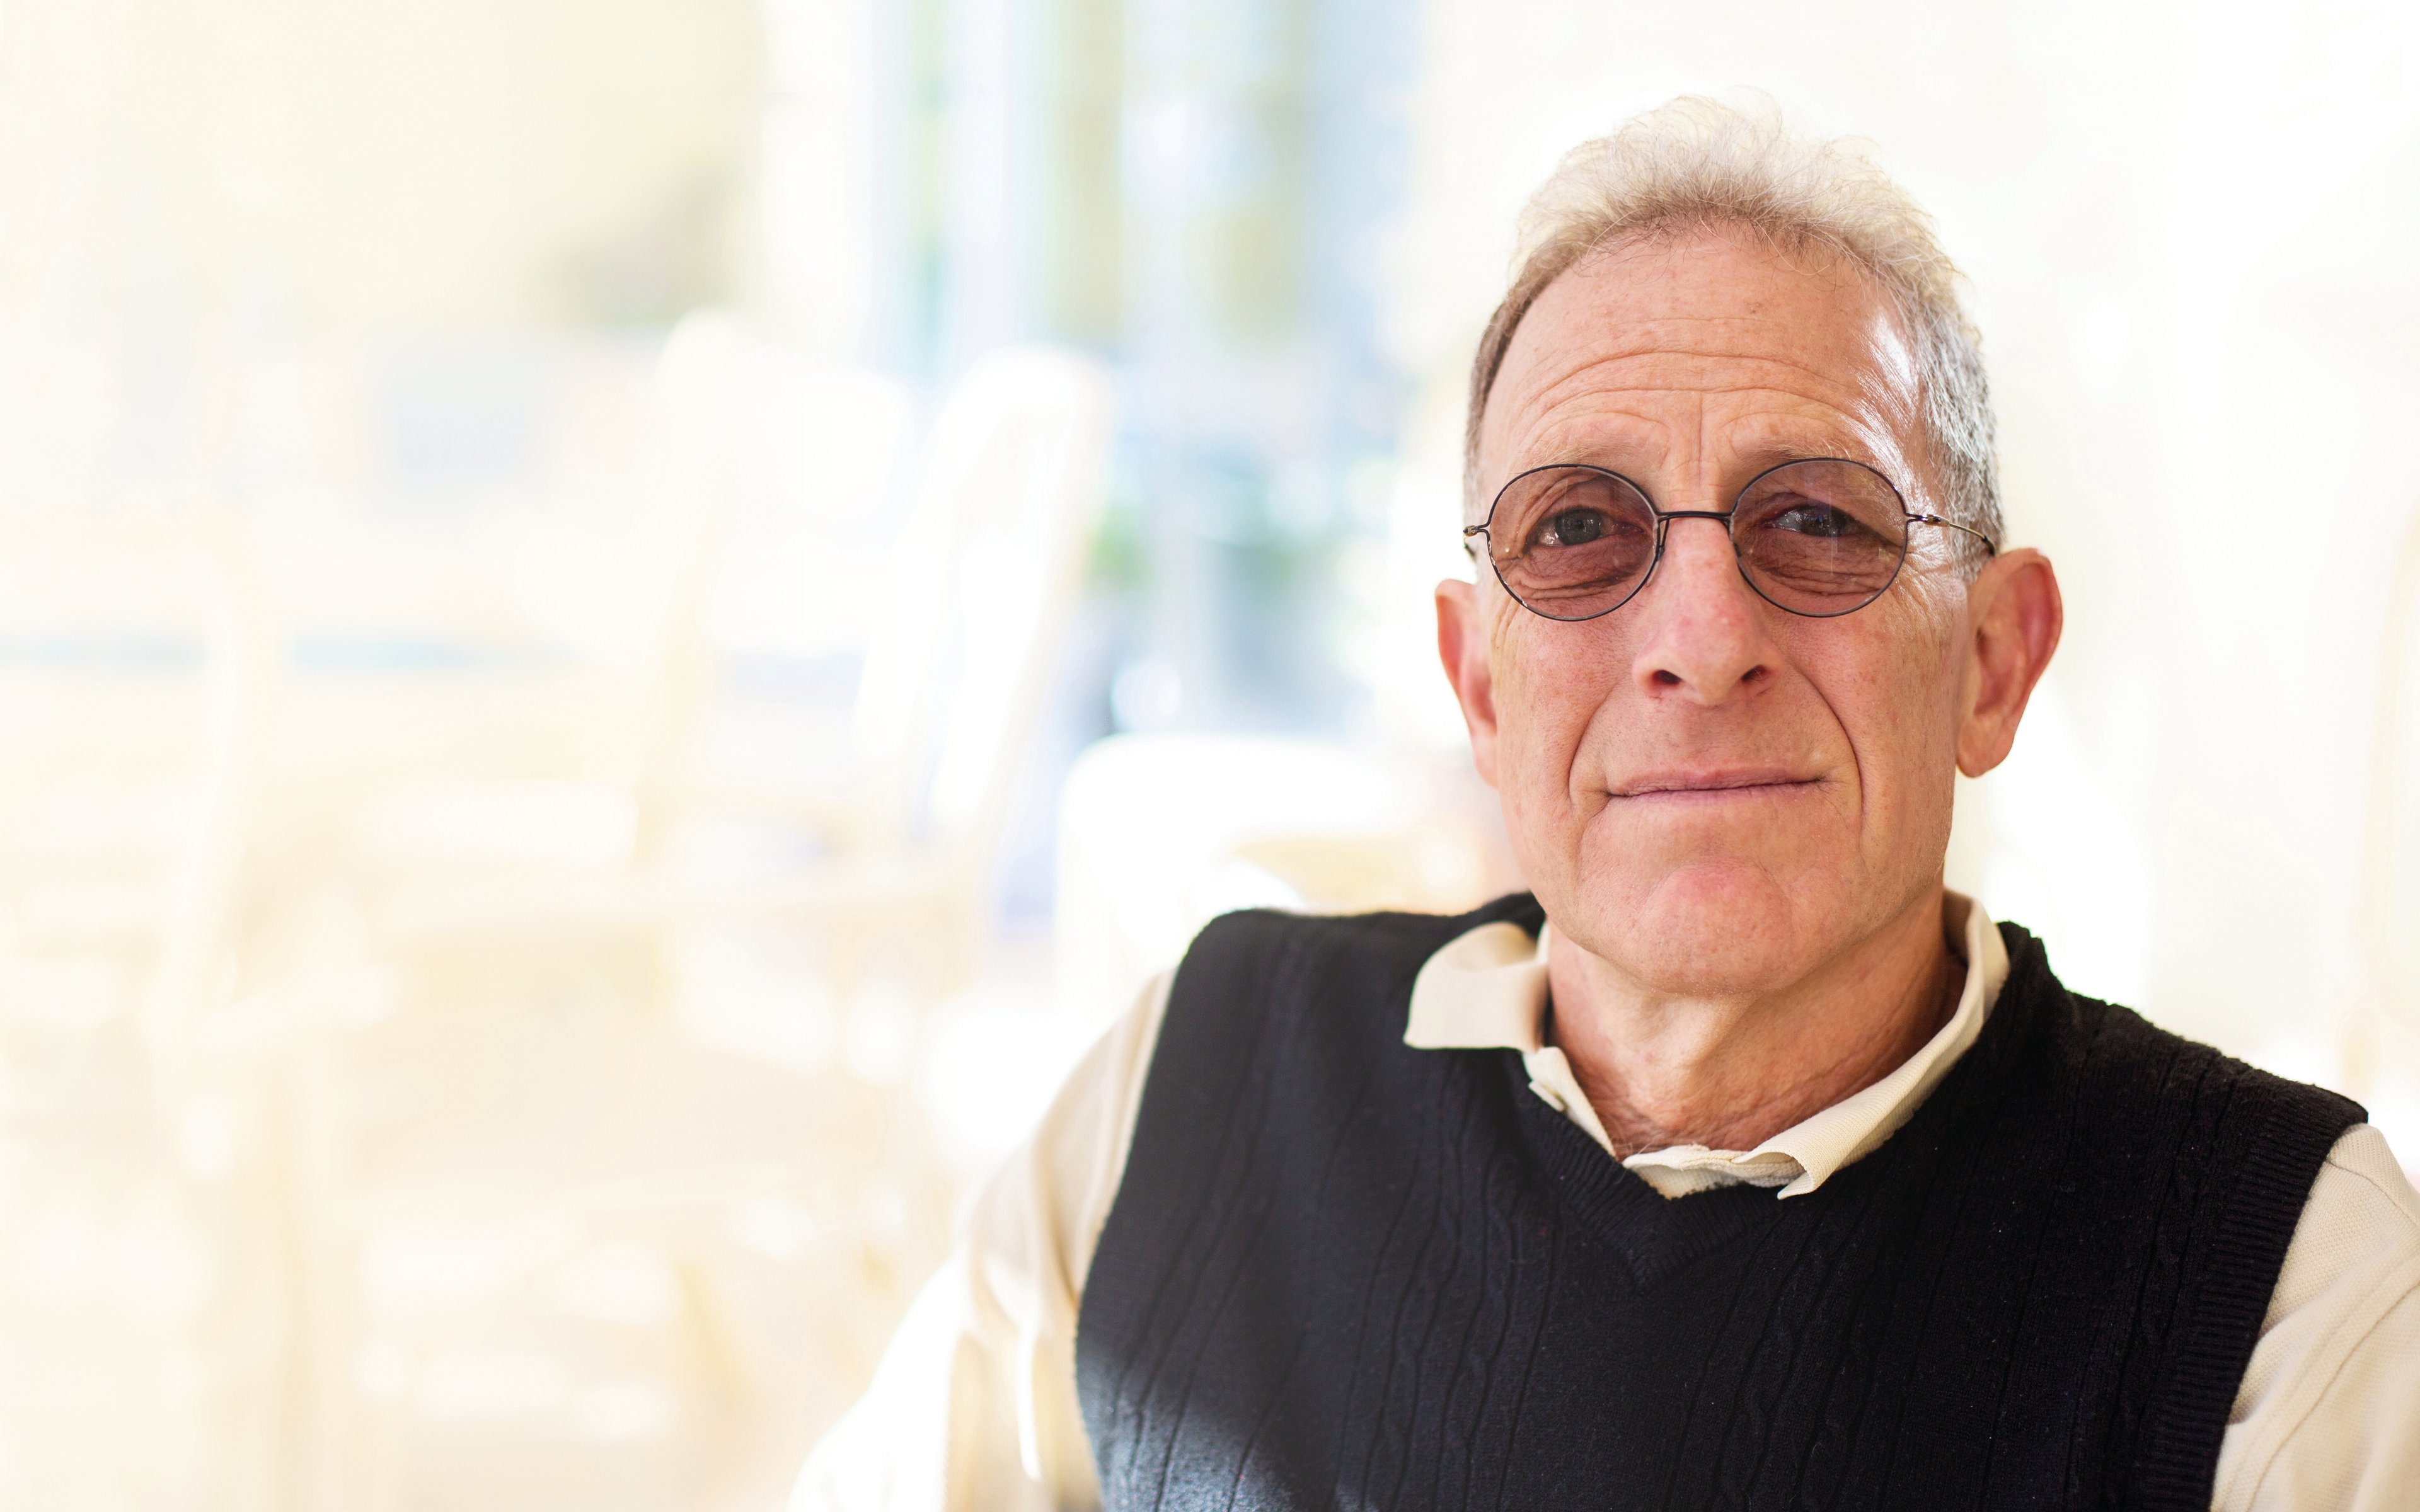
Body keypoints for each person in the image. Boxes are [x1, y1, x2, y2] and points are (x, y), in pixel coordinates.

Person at [795, 98, 2420, 1511]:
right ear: (1482, 691)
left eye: (1818, 520)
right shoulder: (1191, 1078)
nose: (1702, 643)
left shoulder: (2287, 1286)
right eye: (1578, 530)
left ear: (1992, 664)